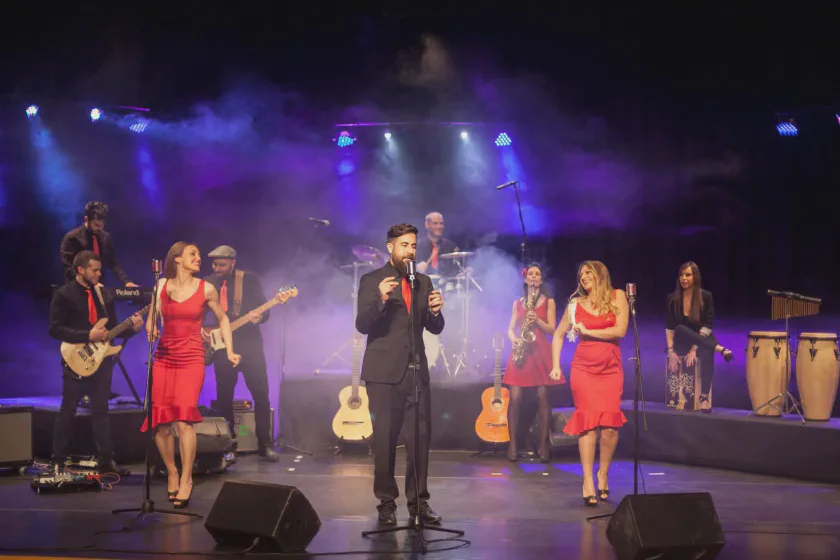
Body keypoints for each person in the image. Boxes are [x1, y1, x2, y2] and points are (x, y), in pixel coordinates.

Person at [355, 223, 445, 525]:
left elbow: (434, 327)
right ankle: (386, 503)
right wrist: (380, 299)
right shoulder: (372, 280)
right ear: (390, 247)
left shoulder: (423, 282)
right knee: (385, 440)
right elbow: (362, 324)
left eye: (413, 245)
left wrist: (435, 312)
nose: (410, 251)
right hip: (383, 374)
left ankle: (419, 503)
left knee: (420, 439)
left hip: (416, 372)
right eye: (404, 245)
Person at [142, 241, 239, 509]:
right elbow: (152, 317)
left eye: (198, 254)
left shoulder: (206, 288)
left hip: (192, 358)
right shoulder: (160, 286)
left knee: (184, 420)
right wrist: (150, 327)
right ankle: (171, 471)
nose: (198, 258)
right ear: (177, 259)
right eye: (193, 254)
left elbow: (223, 319)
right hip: (163, 357)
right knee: (161, 424)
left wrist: (230, 350)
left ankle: (186, 479)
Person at [48, 251, 143, 474]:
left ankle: (105, 460)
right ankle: (58, 459)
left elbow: (114, 329)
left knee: (101, 410)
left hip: (102, 360)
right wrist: (86, 335)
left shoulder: (104, 294)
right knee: (68, 409)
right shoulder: (64, 294)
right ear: (81, 270)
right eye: (95, 270)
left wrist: (134, 330)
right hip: (75, 358)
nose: (100, 273)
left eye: (100, 270)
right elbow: (54, 328)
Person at [550, 260, 629, 507]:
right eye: (580, 273)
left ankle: (602, 473)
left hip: (610, 369)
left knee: (610, 427)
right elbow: (558, 334)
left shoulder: (618, 296)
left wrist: (589, 331)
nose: (583, 276)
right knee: (588, 424)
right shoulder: (575, 305)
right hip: (583, 369)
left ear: (600, 275)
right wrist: (555, 365)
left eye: (588, 272)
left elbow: (620, 330)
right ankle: (587, 480)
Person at [203, 245, 283, 461]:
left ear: (233, 263)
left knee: (261, 396)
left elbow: (263, 309)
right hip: (221, 346)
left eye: (221, 264)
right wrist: (204, 333)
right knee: (224, 397)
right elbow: (200, 312)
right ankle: (229, 446)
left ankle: (264, 444)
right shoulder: (208, 282)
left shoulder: (248, 279)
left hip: (250, 345)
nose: (217, 268)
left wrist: (261, 317)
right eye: (214, 264)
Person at [503, 263, 564, 462]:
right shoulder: (517, 303)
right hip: (522, 351)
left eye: (538, 274)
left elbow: (553, 330)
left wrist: (536, 320)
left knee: (542, 398)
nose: (534, 276)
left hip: (540, 351)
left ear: (541, 279)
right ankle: (513, 446)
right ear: (525, 278)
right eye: (531, 273)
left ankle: (544, 445)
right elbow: (510, 329)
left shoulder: (549, 302)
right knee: (515, 398)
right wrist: (515, 341)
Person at [666, 261, 733, 413]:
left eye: (688, 275)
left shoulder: (706, 296)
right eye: (681, 275)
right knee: (681, 328)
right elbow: (670, 328)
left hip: (701, 341)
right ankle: (720, 348)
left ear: (695, 277)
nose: (684, 278)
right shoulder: (672, 299)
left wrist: (694, 349)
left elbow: (708, 325)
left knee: (708, 353)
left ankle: (704, 397)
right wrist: (671, 352)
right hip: (681, 341)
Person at [60, 201, 138, 287]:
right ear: (86, 219)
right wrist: (90, 283)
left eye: (102, 225)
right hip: (76, 290)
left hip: (99, 288)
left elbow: (113, 263)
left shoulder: (105, 238)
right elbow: (68, 269)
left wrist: (126, 281)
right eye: (96, 225)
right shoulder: (72, 238)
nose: (100, 228)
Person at [415, 212, 459, 277]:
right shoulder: (417, 246)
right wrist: (415, 268)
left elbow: (457, 270)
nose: (439, 227)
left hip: (446, 285)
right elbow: (404, 270)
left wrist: (465, 271)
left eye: (441, 223)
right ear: (427, 225)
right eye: (435, 223)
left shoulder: (451, 246)